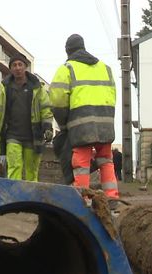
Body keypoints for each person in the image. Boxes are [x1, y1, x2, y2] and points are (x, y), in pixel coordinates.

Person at [50, 34, 120, 201]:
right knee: (106, 160)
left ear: (68, 51)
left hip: (80, 125)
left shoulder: (67, 68)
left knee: (81, 163)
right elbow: (112, 95)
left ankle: (83, 200)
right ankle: (112, 199)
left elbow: (57, 100)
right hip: (105, 123)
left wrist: (64, 123)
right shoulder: (105, 68)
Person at [0, 53, 54, 182]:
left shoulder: (36, 87)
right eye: (14, 65)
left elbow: (46, 108)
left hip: (33, 136)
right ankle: (14, 198)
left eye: (20, 64)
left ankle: (30, 199)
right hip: (12, 136)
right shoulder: (6, 88)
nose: (17, 68)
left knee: (31, 171)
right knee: (14, 168)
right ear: (11, 68)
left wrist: (47, 127)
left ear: (25, 67)